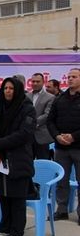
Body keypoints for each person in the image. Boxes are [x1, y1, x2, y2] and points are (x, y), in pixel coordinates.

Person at [0, 77, 36, 236]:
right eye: (5, 88)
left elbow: (24, 134)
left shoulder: (27, 109)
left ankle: (17, 232)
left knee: (17, 198)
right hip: (0, 160)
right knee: (3, 195)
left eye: (11, 88)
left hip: (18, 159)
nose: (8, 91)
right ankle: (4, 228)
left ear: (18, 90)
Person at [47, 68, 80, 223]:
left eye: (74, 76)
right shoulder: (60, 98)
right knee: (62, 181)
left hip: (78, 146)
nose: (70, 79)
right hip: (61, 148)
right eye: (69, 77)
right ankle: (62, 210)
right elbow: (50, 121)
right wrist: (57, 136)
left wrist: (73, 136)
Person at [29, 73, 54, 160]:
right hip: (27, 136)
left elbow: (47, 114)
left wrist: (33, 123)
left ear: (43, 82)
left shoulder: (50, 97)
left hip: (42, 137)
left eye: (37, 81)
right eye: (33, 81)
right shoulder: (26, 96)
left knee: (43, 164)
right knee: (28, 165)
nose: (35, 83)